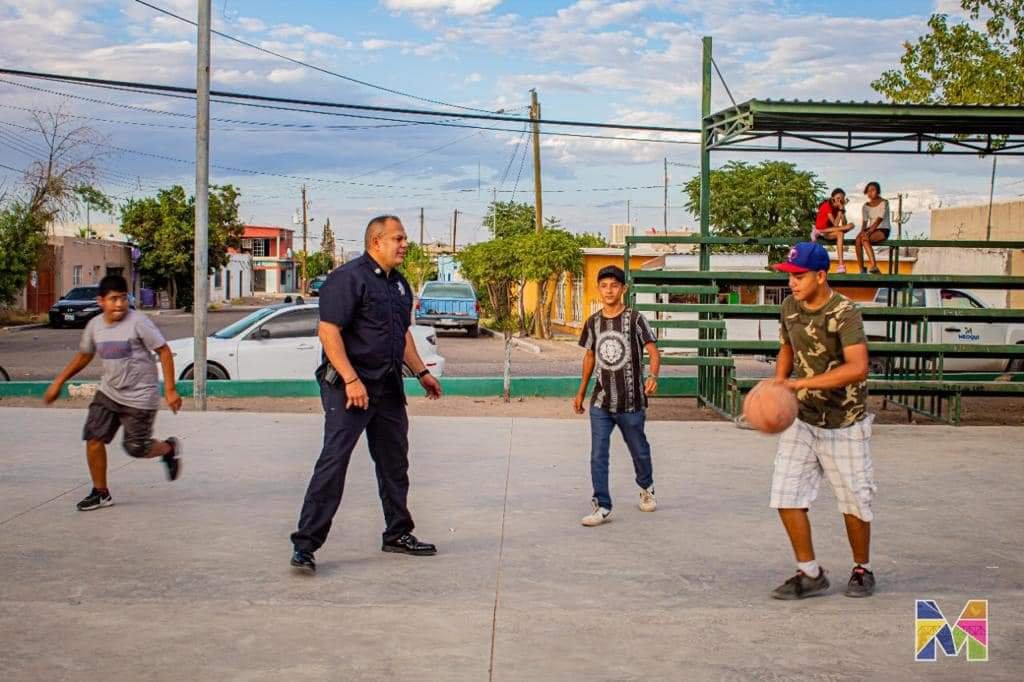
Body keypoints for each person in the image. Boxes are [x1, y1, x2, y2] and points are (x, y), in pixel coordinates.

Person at [290, 215, 443, 575]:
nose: (404, 244)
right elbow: (329, 332)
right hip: (349, 389)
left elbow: (401, 334)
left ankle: (397, 533)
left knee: (395, 463)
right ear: (376, 242)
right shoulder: (348, 279)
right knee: (334, 462)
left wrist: (421, 373)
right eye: (398, 238)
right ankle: (306, 545)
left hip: (388, 386)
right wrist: (350, 379)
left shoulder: (400, 285)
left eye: (404, 238)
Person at [769, 242, 876, 600]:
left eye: (799, 276)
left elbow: (858, 367)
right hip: (804, 418)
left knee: (854, 501)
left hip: (845, 420)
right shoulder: (788, 307)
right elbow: (787, 347)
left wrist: (802, 382)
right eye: (789, 276)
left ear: (821, 275)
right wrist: (779, 384)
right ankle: (810, 572)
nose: (793, 284)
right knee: (785, 494)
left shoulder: (845, 311)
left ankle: (862, 568)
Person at [43, 274, 183, 511]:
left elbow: (164, 351)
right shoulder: (95, 325)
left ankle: (168, 448)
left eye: (122, 298)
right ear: (101, 301)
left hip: (140, 396)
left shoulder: (138, 322)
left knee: (135, 448)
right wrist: (59, 381)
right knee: (93, 438)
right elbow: (84, 355)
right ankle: (101, 492)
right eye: (113, 299)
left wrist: (170, 390)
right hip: (109, 392)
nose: (119, 304)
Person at [573, 265, 661, 527]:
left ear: (624, 289)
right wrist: (580, 392)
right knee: (598, 453)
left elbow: (654, 352)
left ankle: (646, 486)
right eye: (604, 285)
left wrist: (653, 376)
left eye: (614, 285)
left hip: (631, 402)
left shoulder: (635, 319)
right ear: (598, 289)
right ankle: (602, 504)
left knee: (639, 450)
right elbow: (589, 356)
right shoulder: (593, 322)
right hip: (601, 401)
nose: (609, 290)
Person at [812, 188, 855, 273]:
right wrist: (840, 210)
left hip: (828, 231)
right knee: (848, 227)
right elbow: (835, 224)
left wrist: (842, 210)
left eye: (842, 198)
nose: (840, 200)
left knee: (842, 233)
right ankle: (816, 231)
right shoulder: (827, 205)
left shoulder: (839, 208)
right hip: (822, 230)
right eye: (838, 198)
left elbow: (844, 223)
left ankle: (841, 265)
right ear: (833, 198)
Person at [855, 181, 891, 275]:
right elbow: (865, 222)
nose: (870, 193)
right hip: (870, 229)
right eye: (868, 191)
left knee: (865, 239)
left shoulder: (884, 202)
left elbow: (879, 219)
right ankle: (862, 269)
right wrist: (861, 232)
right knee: (858, 240)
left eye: (873, 190)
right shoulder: (866, 206)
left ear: (878, 191)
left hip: (882, 229)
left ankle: (874, 266)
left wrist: (869, 232)